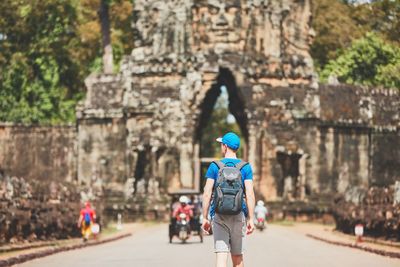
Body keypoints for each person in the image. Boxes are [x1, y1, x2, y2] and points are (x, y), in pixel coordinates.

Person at [202, 132, 255, 267]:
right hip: (239, 214)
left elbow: (207, 192)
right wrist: (251, 219)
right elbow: (249, 194)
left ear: (225, 146)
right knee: (237, 256)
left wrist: (205, 217)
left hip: (219, 215)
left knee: (221, 255)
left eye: (221, 144)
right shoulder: (245, 167)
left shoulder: (215, 165)